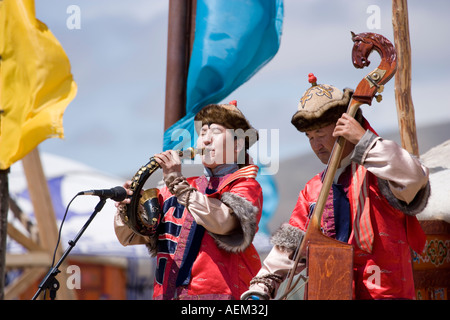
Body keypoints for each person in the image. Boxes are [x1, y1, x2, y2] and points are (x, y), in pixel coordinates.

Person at [242, 75, 430, 300]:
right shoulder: (313, 189)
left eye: (320, 133)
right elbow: (290, 245)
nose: (316, 145)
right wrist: (262, 285)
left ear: (345, 126)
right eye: (310, 137)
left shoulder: (382, 173)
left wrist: (364, 139)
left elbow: (414, 177)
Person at [114, 101, 263, 300]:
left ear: (237, 145)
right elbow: (129, 237)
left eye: (216, 132)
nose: (206, 140)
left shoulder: (245, 185)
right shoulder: (173, 189)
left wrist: (177, 182)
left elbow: (223, 222)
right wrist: (128, 209)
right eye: (202, 133)